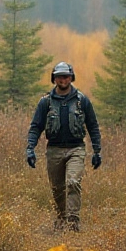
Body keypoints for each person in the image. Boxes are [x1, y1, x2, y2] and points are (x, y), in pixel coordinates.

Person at [25, 61, 103, 232]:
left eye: (66, 76)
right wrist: (30, 148)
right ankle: (61, 219)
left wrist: (97, 151)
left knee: (73, 182)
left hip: (76, 149)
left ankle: (73, 222)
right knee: (57, 188)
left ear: (71, 77)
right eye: (59, 77)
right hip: (54, 150)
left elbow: (93, 125)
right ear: (54, 79)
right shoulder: (45, 102)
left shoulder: (82, 100)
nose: (63, 80)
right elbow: (36, 126)